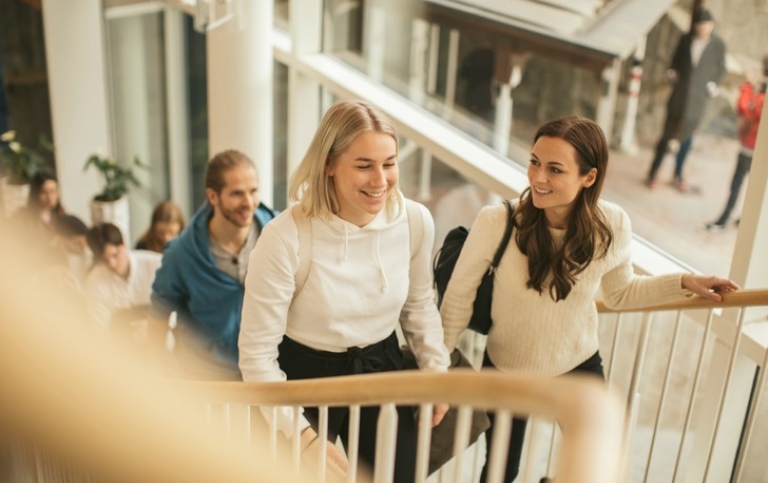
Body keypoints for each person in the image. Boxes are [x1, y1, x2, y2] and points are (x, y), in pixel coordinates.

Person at [440, 116, 740, 483]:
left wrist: (684, 281)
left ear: (589, 177)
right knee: (501, 472)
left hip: (577, 363)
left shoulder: (611, 225)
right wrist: (441, 368)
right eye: (534, 161)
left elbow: (621, 293)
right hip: (507, 369)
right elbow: (457, 298)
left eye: (555, 169)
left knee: (599, 468)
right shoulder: (497, 222)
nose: (537, 178)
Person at [238, 99, 451, 481]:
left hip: (380, 366)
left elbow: (419, 304)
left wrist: (436, 368)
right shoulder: (283, 239)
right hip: (300, 378)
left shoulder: (415, 221)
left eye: (389, 163)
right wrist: (303, 437)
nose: (380, 180)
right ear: (329, 165)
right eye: (364, 165)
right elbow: (256, 358)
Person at [150, 149, 277, 380]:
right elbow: (159, 316)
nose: (249, 203)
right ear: (212, 196)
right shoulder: (180, 254)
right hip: (208, 381)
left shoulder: (279, 235)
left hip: (268, 373)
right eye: (237, 194)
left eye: (253, 191)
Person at [645, 8, 726, 192]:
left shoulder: (718, 45)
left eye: (707, 24)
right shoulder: (686, 39)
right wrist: (672, 73)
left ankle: (678, 174)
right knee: (666, 137)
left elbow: (721, 69)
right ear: (696, 25)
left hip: (698, 100)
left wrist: (714, 85)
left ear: (712, 25)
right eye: (700, 24)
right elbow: (674, 61)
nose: (703, 28)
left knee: (687, 139)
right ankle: (653, 172)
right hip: (679, 97)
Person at [705, 54, 767, 232]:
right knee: (755, 188)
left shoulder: (763, 96)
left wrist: (747, 87)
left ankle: (723, 221)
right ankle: (745, 219)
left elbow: (744, 109)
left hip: (751, 148)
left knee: (737, 185)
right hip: (755, 147)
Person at [84, 222, 161, 331]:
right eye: (104, 260)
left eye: (115, 255)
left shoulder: (157, 266)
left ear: (124, 245)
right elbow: (101, 333)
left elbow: (179, 313)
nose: (112, 264)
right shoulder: (94, 282)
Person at [13, 171, 65, 242]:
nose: (49, 197)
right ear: (35, 193)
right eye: (44, 192)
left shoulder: (61, 215)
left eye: (52, 191)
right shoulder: (22, 216)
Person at [52, 213, 92, 290]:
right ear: (60, 240)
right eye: (78, 243)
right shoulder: (51, 258)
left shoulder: (88, 254)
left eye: (85, 242)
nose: (84, 247)